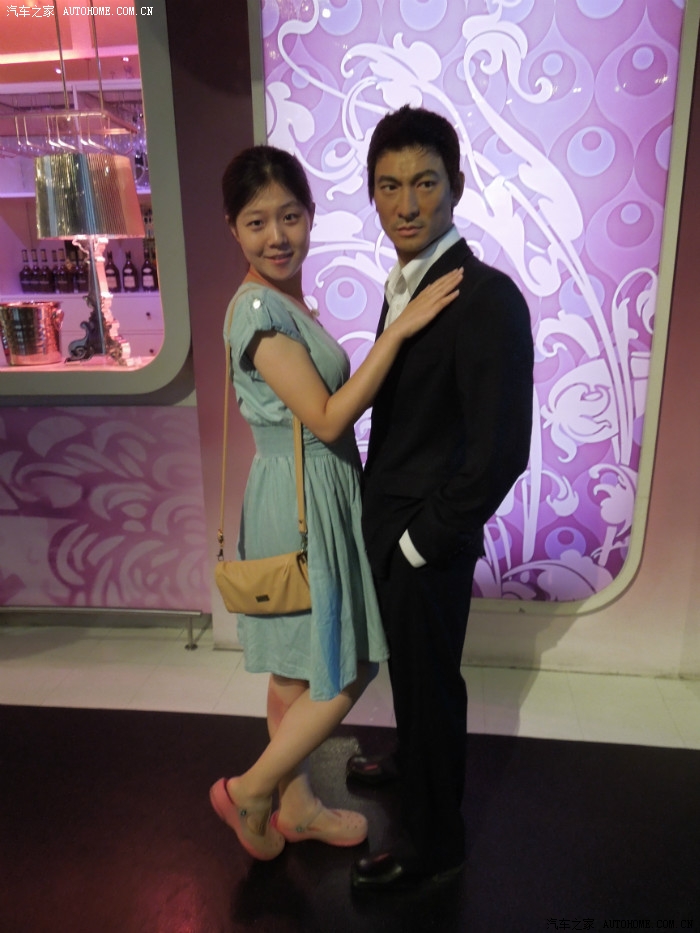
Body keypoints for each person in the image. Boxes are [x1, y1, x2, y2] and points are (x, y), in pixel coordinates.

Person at [210, 144, 464, 862]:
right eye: (257, 222)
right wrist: (400, 328)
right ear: (232, 228)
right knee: (347, 664)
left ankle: (297, 809)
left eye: (290, 216)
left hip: (307, 489)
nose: (277, 236)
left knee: (296, 668)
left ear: (311, 215)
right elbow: (325, 419)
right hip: (301, 497)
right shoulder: (257, 309)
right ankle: (253, 790)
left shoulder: (284, 298)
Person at [348, 106, 534, 891]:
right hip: (396, 526)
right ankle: (410, 759)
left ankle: (436, 842)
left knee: (433, 687)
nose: (407, 204)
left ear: (456, 185)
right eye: (389, 185)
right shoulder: (407, 283)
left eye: (425, 182)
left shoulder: (486, 298)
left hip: (427, 538)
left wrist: (418, 541)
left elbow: (501, 452)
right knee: (412, 676)